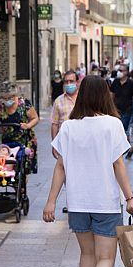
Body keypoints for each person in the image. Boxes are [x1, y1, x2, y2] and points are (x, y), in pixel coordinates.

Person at [43, 75, 133, 267]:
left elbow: (60, 166)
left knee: (87, 254)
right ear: (104, 95)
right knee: (105, 256)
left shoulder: (68, 127)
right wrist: (130, 197)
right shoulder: (112, 124)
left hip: (77, 202)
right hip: (105, 202)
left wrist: (51, 201)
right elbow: (118, 163)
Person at [0, 88, 39, 174]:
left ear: (16, 96)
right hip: (8, 141)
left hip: (25, 139)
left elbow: (35, 118)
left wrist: (28, 125)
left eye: (11, 97)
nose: (7, 100)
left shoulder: (24, 104)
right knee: (9, 165)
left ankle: (21, 186)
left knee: (23, 169)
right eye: (4, 98)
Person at [51, 70, 79, 214]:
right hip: (64, 143)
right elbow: (54, 123)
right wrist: (54, 144)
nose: (69, 84)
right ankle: (71, 201)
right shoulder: (58, 101)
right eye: (66, 82)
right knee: (66, 172)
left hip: (81, 142)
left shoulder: (83, 99)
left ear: (77, 82)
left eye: (71, 81)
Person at [110, 64, 133, 158]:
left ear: (127, 72)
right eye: (119, 70)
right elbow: (111, 95)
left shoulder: (131, 83)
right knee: (121, 130)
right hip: (116, 110)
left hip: (127, 110)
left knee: (122, 129)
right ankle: (128, 148)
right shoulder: (115, 82)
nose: (120, 72)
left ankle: (124, 149)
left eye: (122, 70)